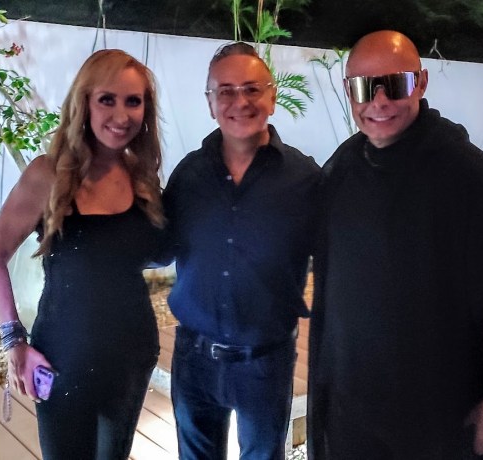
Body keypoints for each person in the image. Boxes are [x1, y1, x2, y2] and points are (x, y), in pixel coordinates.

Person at [307, 31, 483, 459]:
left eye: (395, 84)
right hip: (353, 413)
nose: (379, 101)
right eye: (365, 87)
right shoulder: (344, 167)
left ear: (420, 83)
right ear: (348, 90)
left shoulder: (464, 172)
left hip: (438, 416)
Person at [0, 49, 165, 459]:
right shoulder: (46, 175)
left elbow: (155, 253)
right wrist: (13, 341)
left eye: (133, 101)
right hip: (63, 359)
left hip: (132, 356)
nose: (121, 115)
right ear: (83, 102)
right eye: (107, 99)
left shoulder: (142, 179)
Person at [161, 42, 320, 459]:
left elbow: (338, 258)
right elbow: (157, 249)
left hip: (266, 363)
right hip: (193, 358)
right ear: (210, 102)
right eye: (226, 91)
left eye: (252, 89)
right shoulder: (189, 174)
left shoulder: (305, 178)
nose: (240, 101)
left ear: (272, 96)